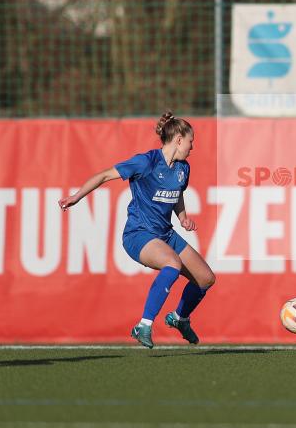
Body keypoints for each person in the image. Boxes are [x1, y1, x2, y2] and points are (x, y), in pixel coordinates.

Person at [59, 111, 215, 348]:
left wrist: (183, 217)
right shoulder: (146, 162)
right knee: (172, 264)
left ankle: (180, 318)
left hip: (166, 234)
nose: (193, 147)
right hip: (139, 234)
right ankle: (143, 324)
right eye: (191, 141)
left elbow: (177, 195)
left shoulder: (183, 168)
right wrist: (76, 196)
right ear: (179, 139)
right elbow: (103, 176)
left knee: (205, 278)